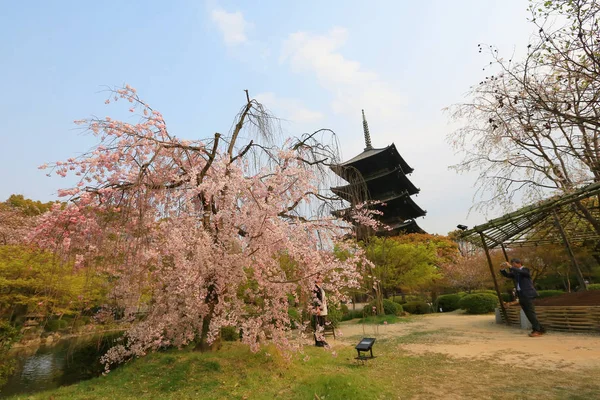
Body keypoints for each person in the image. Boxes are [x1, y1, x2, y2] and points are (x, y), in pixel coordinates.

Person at [500, 258, 546, 337]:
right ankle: (540, 328)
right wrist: (502, 269)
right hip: (521, 295)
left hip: (528, 294)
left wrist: (511, 267)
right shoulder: (516, 272)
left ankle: (537, 330)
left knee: (531, 313)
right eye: (512, 264)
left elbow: (522, 272)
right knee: (528, 313)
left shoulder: (525, 270)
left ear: (519, 263)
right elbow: (507, 275)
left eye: (513, 264)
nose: (512, 266)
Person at [312, 274, 329, 347]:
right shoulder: (315, 288)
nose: (322, 279)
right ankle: (318, 342)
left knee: (322, 325)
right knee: (319, 325)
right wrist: (317, 308)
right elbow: (315, 299)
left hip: (323, 307)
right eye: (320, 278)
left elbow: (322, 297)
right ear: (317, 279)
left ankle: (322, 340)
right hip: (319, 309)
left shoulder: (320, 288)